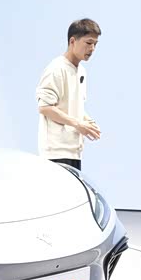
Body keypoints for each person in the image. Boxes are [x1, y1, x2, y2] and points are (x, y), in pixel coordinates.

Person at [36, 18, 102, 170]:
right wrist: (78, 124)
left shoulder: (81, 71)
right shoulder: (56, 69)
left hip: (74, 152)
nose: (92, 49)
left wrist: (87, 121)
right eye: (88, 43)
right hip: (55, 152)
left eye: (95, 44)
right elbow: (45, 107)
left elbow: (72, 105)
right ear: (72, 41)